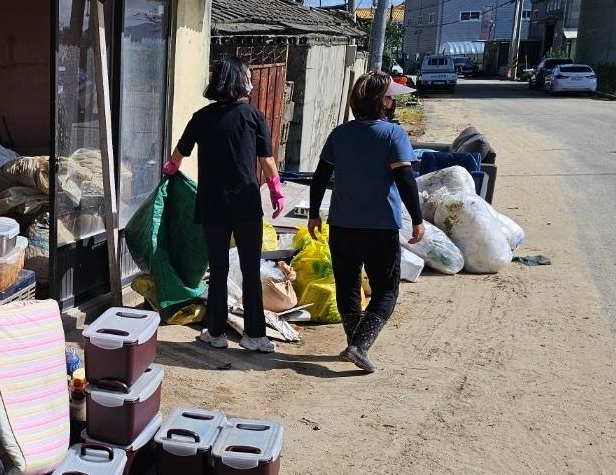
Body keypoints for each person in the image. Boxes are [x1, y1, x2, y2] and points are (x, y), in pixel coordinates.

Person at [306, 71, 425, 374]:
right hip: (380, 226)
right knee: (386, 290)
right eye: (390, 97)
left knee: (347, 284)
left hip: (342, 226)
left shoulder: (340, 134)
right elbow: (405, 178)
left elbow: (320, 177)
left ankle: (354, 342)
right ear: (382, 101)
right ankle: (359, 345)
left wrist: (314, 212)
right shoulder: (392, 134)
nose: (392, 102)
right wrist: (418, 219)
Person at [165, 55, 283, 353]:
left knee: (217, 270)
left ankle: (215, 332)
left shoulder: (201, 117)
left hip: (212, 206)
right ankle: (255, 336)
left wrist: (168, 172)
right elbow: (267, 161)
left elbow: (178, 156)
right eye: (247, 75)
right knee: (250, 268)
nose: (250, 81)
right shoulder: (254, 116)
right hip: (245, 204)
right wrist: (276, 191)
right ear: (238, 80)